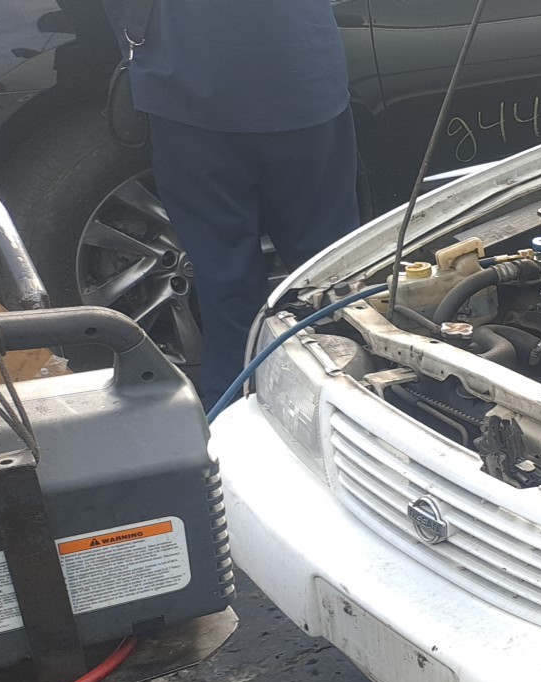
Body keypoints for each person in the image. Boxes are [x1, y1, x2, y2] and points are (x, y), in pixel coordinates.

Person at [115, 0, 360, 406]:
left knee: (224, 274)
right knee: (327, 272)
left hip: (187, 88)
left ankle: (232, 410)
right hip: (302, 79)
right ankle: (347, 400)